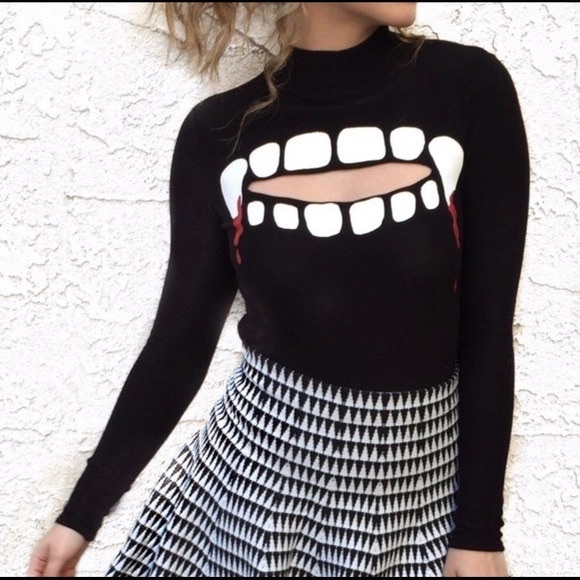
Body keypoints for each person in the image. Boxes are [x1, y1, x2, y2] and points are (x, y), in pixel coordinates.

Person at [27, 2, 529, 577]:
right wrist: (81, 514)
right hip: (248, 500)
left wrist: (479, 531)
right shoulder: (218, 132)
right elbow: (181, 340)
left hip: (417, 503)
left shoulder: (467, 87)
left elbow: (489, 328)